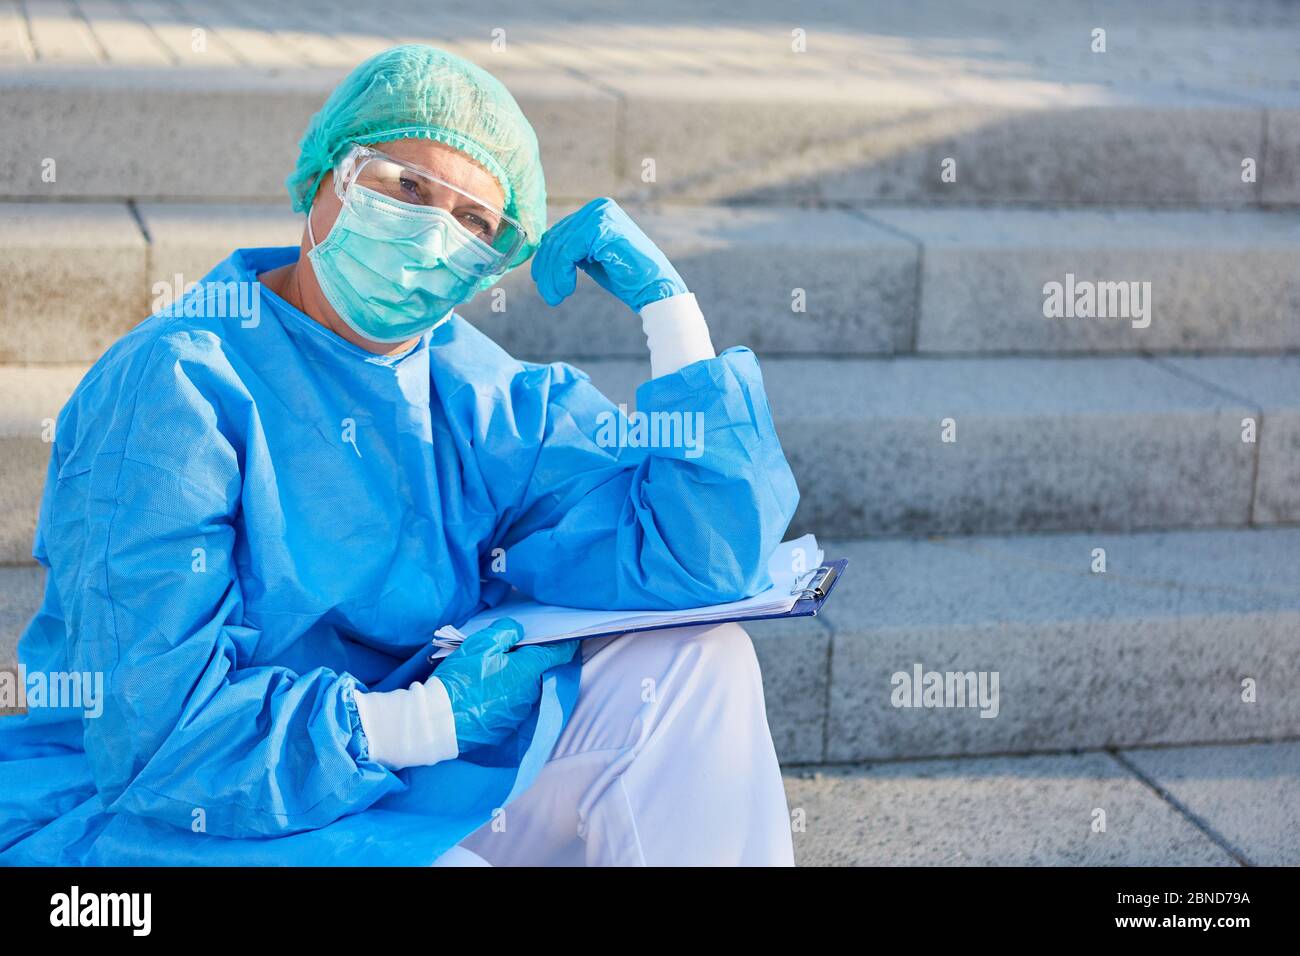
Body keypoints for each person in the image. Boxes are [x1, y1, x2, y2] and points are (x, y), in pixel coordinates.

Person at [0, 44, 799, 866]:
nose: (432, 236)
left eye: (474, 223)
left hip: (397, 776)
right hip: (181, 809)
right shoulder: (175, 386)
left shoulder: (477, 391)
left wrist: (673, 318)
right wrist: (424, 721)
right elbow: (156, 733)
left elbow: (698, 561)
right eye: (407, 187)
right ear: (325, 178)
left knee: (702, 663)